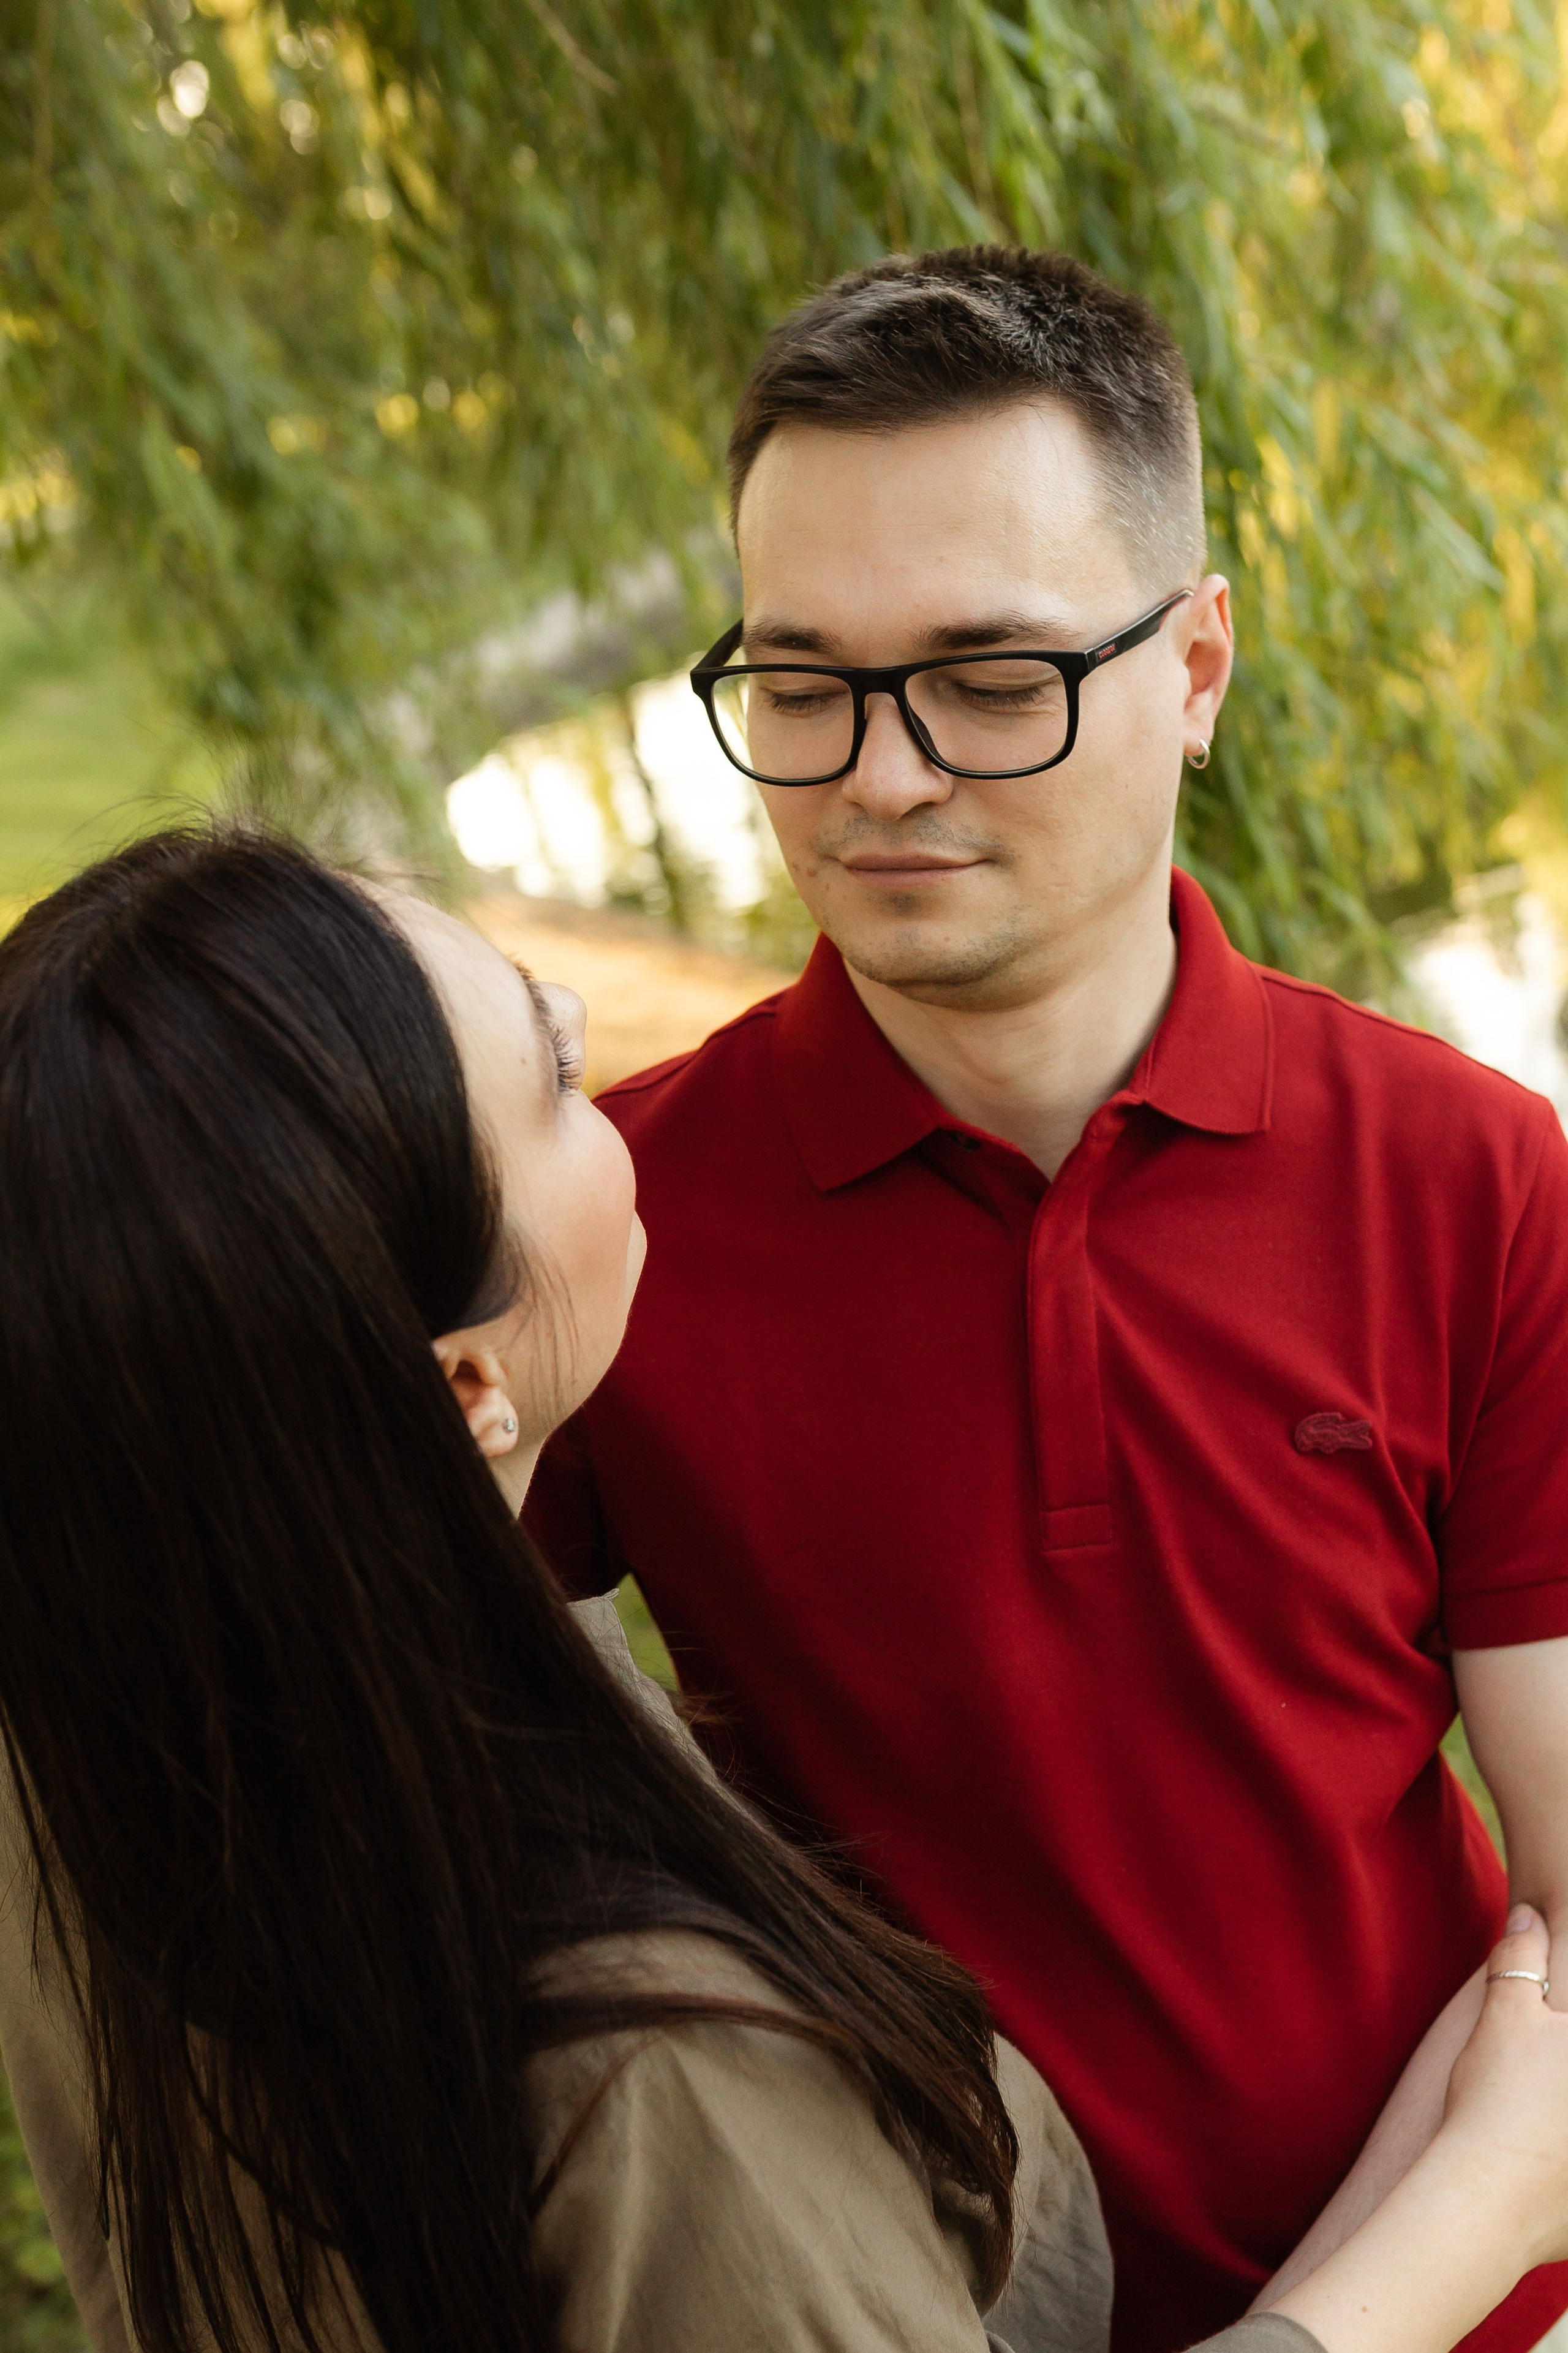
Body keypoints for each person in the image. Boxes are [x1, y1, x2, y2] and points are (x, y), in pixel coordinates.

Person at [1, 831, 1568, 2353]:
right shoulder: (667, 2083)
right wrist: (1480, 2205)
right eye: (550, 1078)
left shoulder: (88, 1752)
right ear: (472, 1382)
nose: (592, 1050)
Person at [524, 244, 1568, 2353]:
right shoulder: (601, 1212)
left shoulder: (1473, 1177)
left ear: (1196, 665)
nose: (880, 778)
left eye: (992, 678)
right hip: (896, 2310)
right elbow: (448, 1862)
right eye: (801, 684)